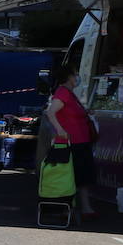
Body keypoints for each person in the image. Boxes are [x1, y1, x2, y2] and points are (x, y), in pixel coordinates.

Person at [44, 68, 97, 218]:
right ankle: (72, 208)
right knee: (73, 177)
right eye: (75, 74)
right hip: (70, 143)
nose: (77, 77)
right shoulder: (63, 93)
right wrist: (60, 130)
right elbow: (51, 112)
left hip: (80, 141)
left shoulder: (70, 94)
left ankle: (84, 208)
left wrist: (86, 112)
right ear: (69, 77)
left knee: (82, 177)